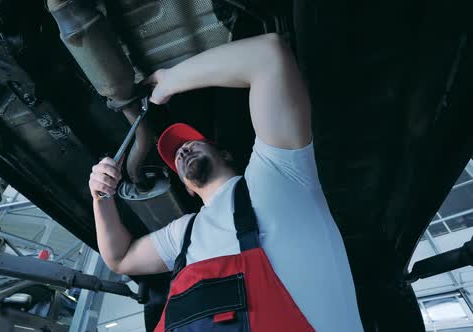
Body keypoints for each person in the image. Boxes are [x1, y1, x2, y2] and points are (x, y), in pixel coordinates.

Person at [88, 33, 364, 331]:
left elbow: (267, 55)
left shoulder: (278, 173)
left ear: (225, 153)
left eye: (191, 142)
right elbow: (120, 258)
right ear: (187, 188)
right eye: (176, 156)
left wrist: (171, 80)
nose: (182, 150)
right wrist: (101, 198)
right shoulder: (185, 234)